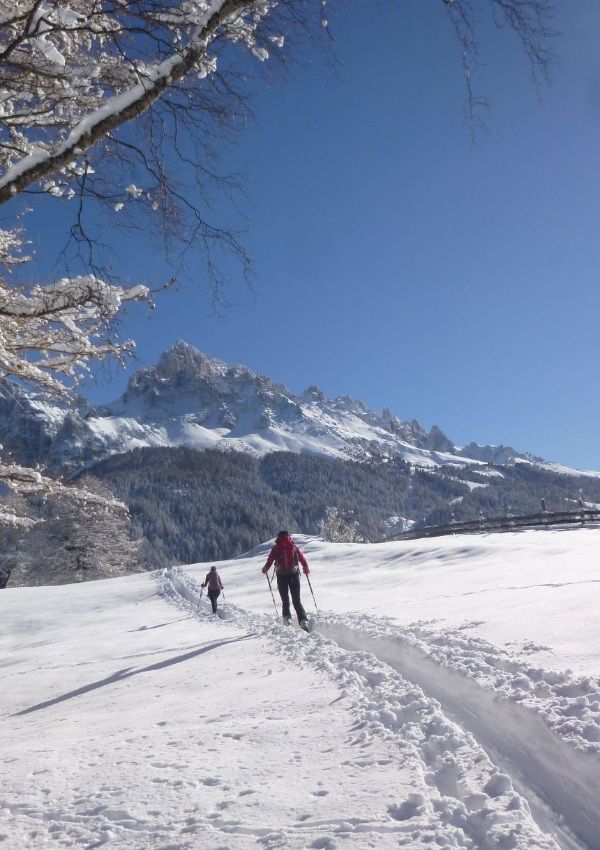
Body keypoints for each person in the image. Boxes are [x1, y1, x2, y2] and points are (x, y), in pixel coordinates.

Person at [262, 531, 310, 629]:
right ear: (289, 537)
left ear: (278, 537)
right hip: (294, 575)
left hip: (281, 577)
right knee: (297, 600)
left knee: (285, 601)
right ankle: (303, 621)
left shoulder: (276, 548)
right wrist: (306, 568)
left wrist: (265, 568)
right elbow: (302, 559)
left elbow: (270, 561)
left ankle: (287, 620)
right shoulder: (293, 547)